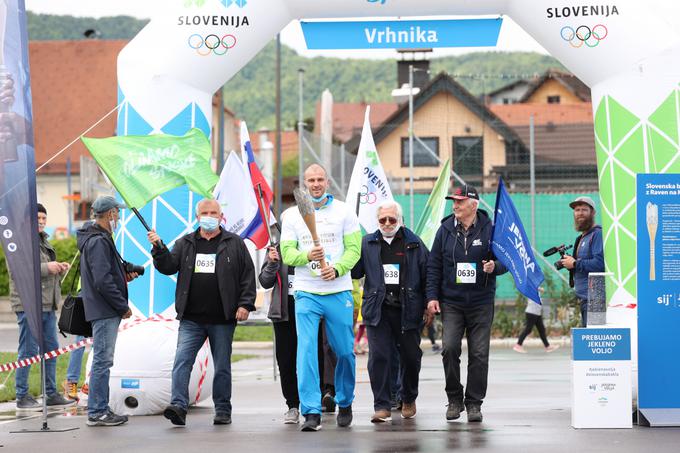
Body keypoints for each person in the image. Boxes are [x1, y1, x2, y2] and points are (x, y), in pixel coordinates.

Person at [148, 198, 256, 427]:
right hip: (191, 319)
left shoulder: (234, 243)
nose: (209, 216)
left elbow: (247, 276)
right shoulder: (185, 242)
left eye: (213, 212)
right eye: (205, 212)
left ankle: (223, 409)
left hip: (223, 318)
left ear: (220, 216)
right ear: (197, 217)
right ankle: (178, 406)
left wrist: (245, 304)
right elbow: (167, 266)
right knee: (181, 362)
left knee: (222, 366)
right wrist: (159, 248)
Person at [281, 163, 361, 432]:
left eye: (320, 179)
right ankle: (311, 411)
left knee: (344, 352)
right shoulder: (291, 215)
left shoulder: (344, 211)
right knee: (305, 353)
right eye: (310, 180)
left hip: (338, 291)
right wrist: (308, 256)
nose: (315, 184)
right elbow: (287, 253)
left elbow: (354, 249)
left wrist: (337, 268)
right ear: (305, 184)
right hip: (306, 292)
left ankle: (345, 400)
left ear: (327, 181)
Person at [426, 184, 507, 423]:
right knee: (449, 349)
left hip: (481, 302)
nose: (455, 205)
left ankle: (474, 403)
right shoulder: (444, 230)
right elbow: (434, 266)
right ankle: (454, 399)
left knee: (479, 354)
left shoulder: (491, 229)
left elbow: (505, 261)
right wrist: (432, 297)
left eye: (460, 201)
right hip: (452, 302)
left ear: (474, 204)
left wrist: (495, 268)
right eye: (454, 201)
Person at [352, 200, 431, 422]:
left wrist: (428, 303)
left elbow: (427, 274)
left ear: (400, 220)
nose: (387, 223)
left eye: (392, 219)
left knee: (410, 357)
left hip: (408, 309)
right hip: (378, 310)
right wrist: (347, 246)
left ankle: (408, 398)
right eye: (382, 220)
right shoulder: (366, 242)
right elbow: (355, 272)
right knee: (379, 357)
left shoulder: (414, 242)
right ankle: (382, 405)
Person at [77, 195, 138, 426]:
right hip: (105, 311)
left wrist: (123, 277)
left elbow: (104, 275)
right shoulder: (99, 241)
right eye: (117, 213)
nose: (119, 217)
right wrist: (122, 306)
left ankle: (99, 408)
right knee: (103, 361)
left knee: (103, 361)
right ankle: (97, 411)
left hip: (102, 309)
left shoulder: (97, 238)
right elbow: (102, 280)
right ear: (110, 214)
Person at [8, 203, 76, 410]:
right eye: (37, 218)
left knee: (51, 350)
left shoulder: (43, 241)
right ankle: (22, 395)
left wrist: (58, 267)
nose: (41, 222)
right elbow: (19, 269)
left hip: (47, 304)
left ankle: (51, 393)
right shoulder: (19, 241)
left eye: (44, 219)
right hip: (29, 303)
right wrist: (48, 267)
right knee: (28, 351)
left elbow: (43, 270)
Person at [558, 196, 604, 327]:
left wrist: (575, 263)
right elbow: (580, 265)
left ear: (593, 212)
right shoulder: (582, 237)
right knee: (590, 340)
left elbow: (600, 264)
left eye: (584, 209)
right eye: (577, 210)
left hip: (596, 298)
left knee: (595, 340)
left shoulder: (597, 234)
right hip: (585, 298)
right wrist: (570, 264)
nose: (580, 213)